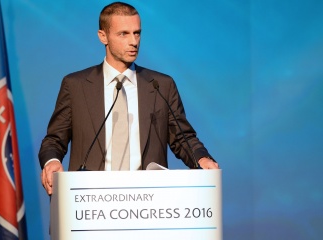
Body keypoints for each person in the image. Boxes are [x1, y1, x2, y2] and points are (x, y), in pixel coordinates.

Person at [39, 2, 219, 195]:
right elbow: (54, 140)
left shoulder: (160, 85)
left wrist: (201, 159)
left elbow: (183, 138)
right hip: (89, 201)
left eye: (137, 33)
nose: (133, 41)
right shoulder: (76, 86)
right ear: (103, 36)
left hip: (148, 202)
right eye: (123, 34)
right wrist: (52, 162)